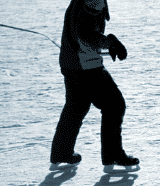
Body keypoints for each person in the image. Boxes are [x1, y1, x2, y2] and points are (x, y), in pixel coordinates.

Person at [49, 0, 139, 170]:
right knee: (114, 105)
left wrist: (105, 43)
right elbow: (85, 33)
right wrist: (109, 43)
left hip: (71, 62)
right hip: (85, 66)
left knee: (76, 106)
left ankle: (61, 152)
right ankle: (113, 155)